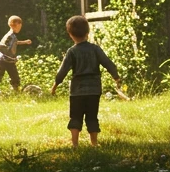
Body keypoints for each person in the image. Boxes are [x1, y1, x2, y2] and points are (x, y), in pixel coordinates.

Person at [50, 15, 120, 148]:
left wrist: (55, 85)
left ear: (70, 34)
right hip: (94, 89)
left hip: (77, 91)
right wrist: (116, 77)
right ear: (87, 33)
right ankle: (94, 143)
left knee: (75, 116)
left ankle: (75, 144)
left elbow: (63, 71)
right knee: (92, 116)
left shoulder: (72, 52)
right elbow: (107, 63)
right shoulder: (95, 49)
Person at [0, 15, 32, 92]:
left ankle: (16, 92)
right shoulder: (9, 36)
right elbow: (1, 45)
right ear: (14, 26)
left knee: (15, 78)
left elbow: (15, 43)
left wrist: (25, 42)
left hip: (9, 61)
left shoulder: (13, 36)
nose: (20, 28)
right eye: (19, 27)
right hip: (2, 60)